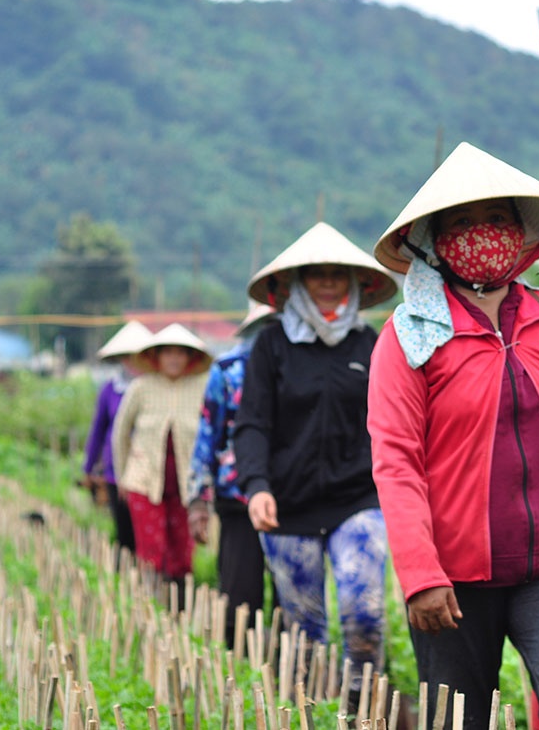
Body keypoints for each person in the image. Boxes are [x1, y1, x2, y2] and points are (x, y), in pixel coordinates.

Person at [367, 141, 539, 730]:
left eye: (497, 219)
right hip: (453, 575)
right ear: (435, 241)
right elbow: (395, 460)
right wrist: (420, 574)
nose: (482, 233)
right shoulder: (410, 336)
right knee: (456, 719)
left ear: (521, 234)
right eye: (462, 222)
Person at [234, 222, 399, 702]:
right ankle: (315, 709)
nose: (328, 281)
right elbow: (252, 423)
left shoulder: (371, 344)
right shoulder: (272, 346)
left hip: (359, 499)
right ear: (296, 285)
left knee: (363, 612)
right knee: (305, 628)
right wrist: (257, 484)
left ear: (354, 284)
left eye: (337, 274)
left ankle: (362, 706)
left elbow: (393, 420)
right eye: (316, 274)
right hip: (288, 504)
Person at [186, 300, 279, 647]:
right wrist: (198, 497)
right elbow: (208, 433)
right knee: (240, 595)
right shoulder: (228, 369)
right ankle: (239, 669)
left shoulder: (303, 363)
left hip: (294, 495)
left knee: (294, 600)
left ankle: (294, 675)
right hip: (238, 495)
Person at [113, 322, 212, 599]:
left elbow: (211, 434)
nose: (173, 358)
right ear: (155, 356)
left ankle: (180, 603)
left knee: (182, 548)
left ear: (190, 357)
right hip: (144, 480)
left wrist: (207, 483)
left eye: (180, 353)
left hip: (186, 484)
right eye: (167, 352)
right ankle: (151, 603)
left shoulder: (201, 387)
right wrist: (123, 475)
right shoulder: (141, 388)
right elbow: (120, 433)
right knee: (151, 547)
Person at [82, 320, 152, 560]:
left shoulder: (154, 388)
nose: (132, 362)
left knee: (147, 529)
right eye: (127, 356)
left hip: (148, 471)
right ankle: (127, 574)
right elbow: (98, 429)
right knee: (124, 527)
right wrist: (89, 467)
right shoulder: (110, 390)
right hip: (117, 471)